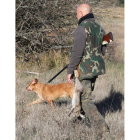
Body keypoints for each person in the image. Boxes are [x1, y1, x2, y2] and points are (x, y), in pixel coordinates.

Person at [67, 4, 111, 139]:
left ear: (81, 13)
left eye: (76, 14)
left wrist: (70, 70)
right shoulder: (100, 28)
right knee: (80, 96)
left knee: (85, 99)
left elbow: (76, 52)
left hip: (84, 70)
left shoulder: (81, 28)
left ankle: (103, 130)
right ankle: (76, 124)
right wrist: (107, 39)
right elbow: (103, 50)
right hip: (96, 69)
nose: (76, 16)